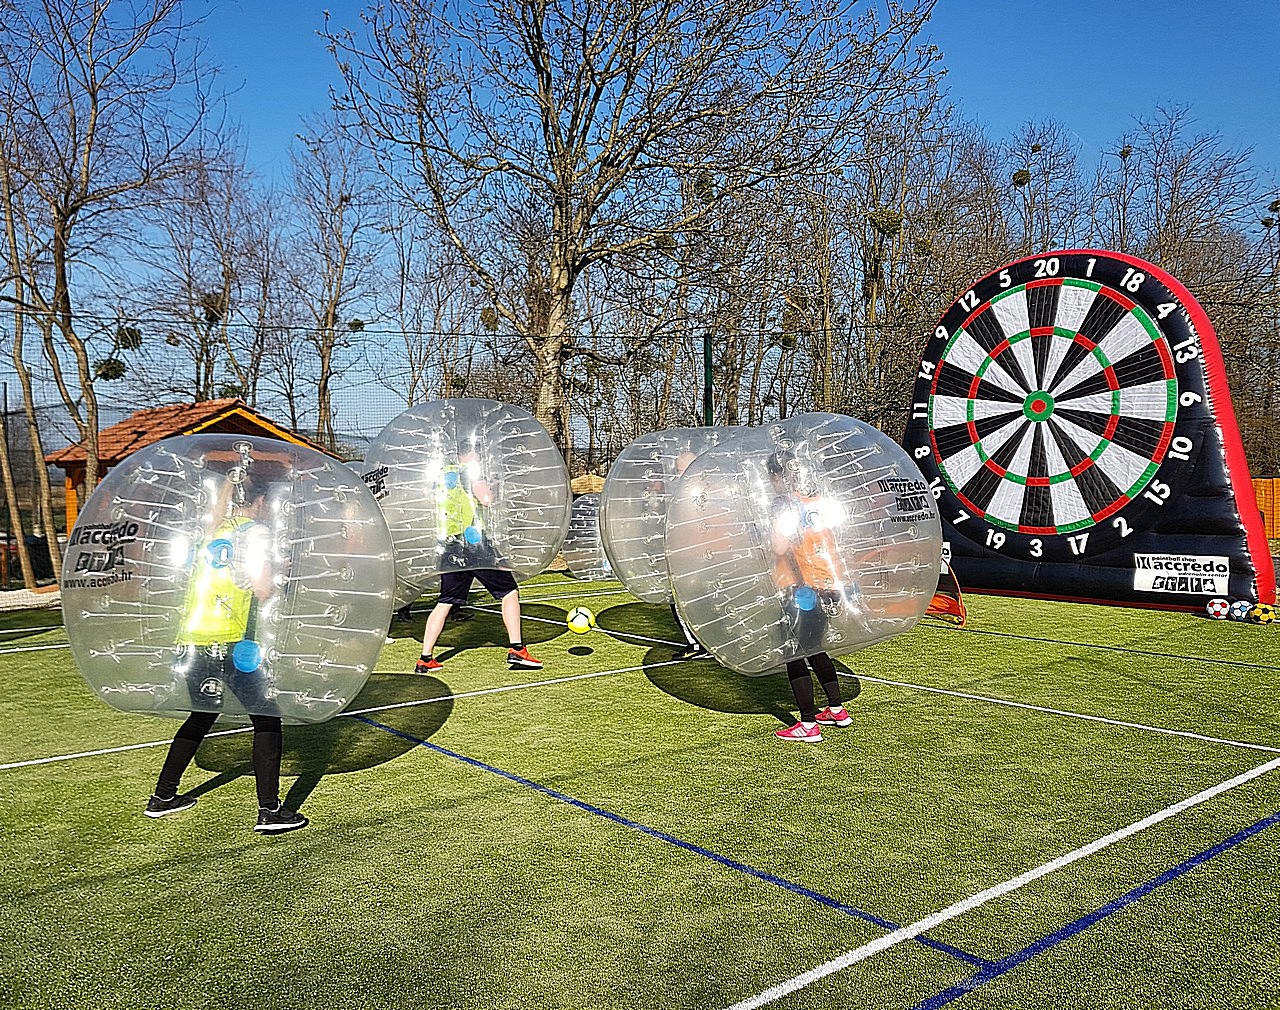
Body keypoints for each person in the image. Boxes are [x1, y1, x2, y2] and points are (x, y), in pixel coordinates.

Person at [144, 465, 308, 834]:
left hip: (192, 636)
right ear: (261, 501)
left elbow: (226, 569)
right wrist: (280, 574)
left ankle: (163, 796)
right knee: (267, 719)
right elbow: (262, 588)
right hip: (230, 640)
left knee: (203, 712)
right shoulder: (257, 533)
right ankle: (270, 811)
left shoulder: (213, 531)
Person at [415, 448, 541, 673]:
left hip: (451, 544)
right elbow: (486, 499)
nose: (481, 457)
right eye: (477, 454)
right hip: (474, 543)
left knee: (446, 600)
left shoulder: (445, 476)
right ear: (468, 455)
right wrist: (492, 487)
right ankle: (517, 649)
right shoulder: (470, 473)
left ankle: (425, 658)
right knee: (509, 591)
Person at [766, 449, 851, 743]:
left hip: (799, 587)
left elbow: (778, 547)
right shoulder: (816, 501)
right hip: (828, 582)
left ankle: (807, 724)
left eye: (772, 476)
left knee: (794, 651)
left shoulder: (783, 504)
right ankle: (837, 709)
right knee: (815, 647)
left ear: (778, 476)